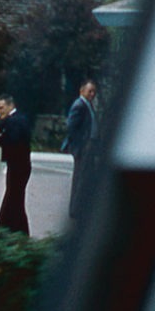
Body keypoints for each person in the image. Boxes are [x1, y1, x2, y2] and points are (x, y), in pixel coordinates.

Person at [0, 93, 32, 234]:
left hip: (19, 166)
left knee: (13, 199)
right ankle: (18, 231)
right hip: (19, 165)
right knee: (15, 200)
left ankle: (4, 230)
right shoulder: (15, 119)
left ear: (10, 106)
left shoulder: (16, 121)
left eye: (1, 108)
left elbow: (11, 144)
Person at [62, 80, 98, 218]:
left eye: (94, 91)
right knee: (80, 178)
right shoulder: (79, 105)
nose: (92, 94)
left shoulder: (88, 105)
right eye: (90, 91)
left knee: (86, 177)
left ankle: (82, 207)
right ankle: (75, 210)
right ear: (82, 90)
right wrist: (80, 145)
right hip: (84, 147)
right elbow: (71, 127)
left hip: (90, 146)